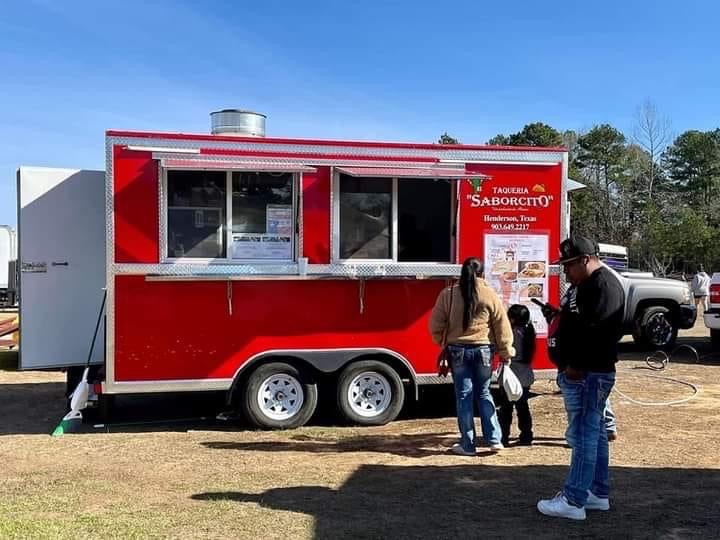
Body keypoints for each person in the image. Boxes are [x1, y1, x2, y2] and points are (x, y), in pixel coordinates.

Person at [537, 235, 625, 521]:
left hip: (590, 372)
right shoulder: (590, 284)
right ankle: (597, 493)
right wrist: (560, 316)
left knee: (585, 435)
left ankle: (573, 499)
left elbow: (598, 332)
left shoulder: (602, 285)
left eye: (569, 265)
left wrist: (577, 364)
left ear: (586, 260)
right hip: (590, 371)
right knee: (595, 433)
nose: (565, 272)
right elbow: (582, 323)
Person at [430, 257, 515, 456]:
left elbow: (436, 324)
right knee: (484, 393)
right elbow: (502, 326)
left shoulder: (448, 294)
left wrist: (443, 341)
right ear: (482, 274)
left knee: (464, 396)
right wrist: (506, 352)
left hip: (457, 350)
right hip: (484, 349)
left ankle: (467, 445)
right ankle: (494, 439)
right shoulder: (490, 294)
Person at [497, 304, 536, 447]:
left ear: (512, 319)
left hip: (510, 374)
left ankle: (503, 437)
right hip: (525, 374)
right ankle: (526, 435)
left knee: (506, 408)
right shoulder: (529, 331)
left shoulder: (511, 333)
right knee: (523, 407)